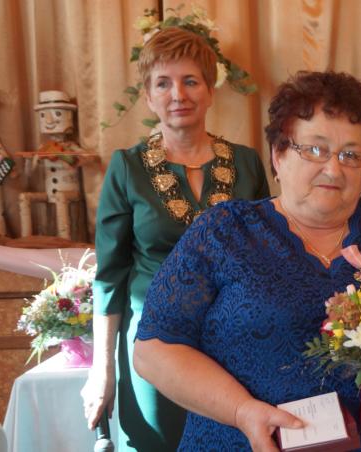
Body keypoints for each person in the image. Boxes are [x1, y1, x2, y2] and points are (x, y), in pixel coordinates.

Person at [132, 71, 361, 451]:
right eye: (315, 150)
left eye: (350, 155)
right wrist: (241, 411)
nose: (333, 169)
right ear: (278, 155)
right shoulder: (224, 232)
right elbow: (154, 350)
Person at [81, 27, 270, 451]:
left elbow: (266, 257)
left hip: (234, 340)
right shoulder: (127, 167)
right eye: (163, 84)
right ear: (148, 97)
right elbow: (109, 276)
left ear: (210, 90)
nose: (177, 95)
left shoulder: (247, 162)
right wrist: (102, 369)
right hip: (154, 343)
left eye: (190, 81)